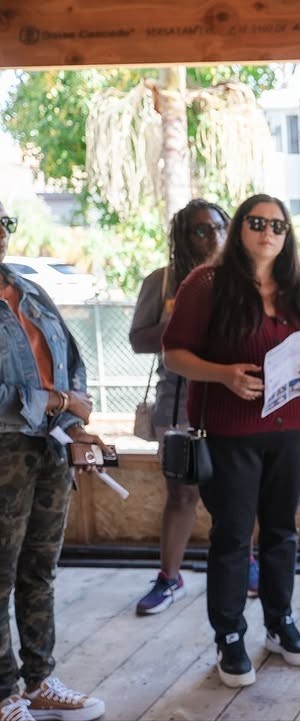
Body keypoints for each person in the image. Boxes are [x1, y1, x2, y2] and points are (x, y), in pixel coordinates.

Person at [162, 194, 300, 688]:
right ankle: (229, 635)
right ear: (240, 229)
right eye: (257, 222)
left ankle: (280, 622)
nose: (268, 232)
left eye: (278, 224)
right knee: (232, 535)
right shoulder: (205, 284)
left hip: (294, 425)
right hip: (231, 430)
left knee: (281, 529)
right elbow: (173, 355)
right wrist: (223, 375)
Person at [128, 199, 261, 616]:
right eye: (200, 230)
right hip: (179, 402)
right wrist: (178, 324)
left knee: (238, 491)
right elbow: (137, 340)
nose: (213, 238)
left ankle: (248, 564)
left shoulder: (246, 279)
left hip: (232, 396)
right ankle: (170, 577)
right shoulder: (162, 281)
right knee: (181, 492)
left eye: (220, 228)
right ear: (183, 237)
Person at [1, 203, 107, 721]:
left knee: (39, 570)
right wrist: (57, 402)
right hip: (4, 451)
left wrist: (72, 422)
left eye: (4, 221)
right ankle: (4, 693)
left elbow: (71, 360)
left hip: (48, 446)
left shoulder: (28, 289)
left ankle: (40, 680)